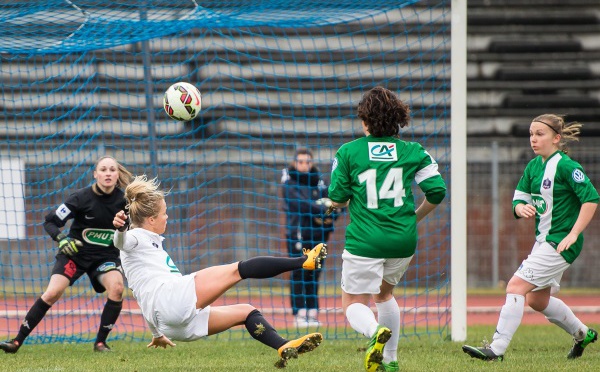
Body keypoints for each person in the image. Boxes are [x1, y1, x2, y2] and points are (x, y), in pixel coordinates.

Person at [111, 175, 326, 368]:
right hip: (172, 299)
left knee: (247, 311)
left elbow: (146, 297)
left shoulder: (148, 245)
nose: (166, 217)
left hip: (169, 325)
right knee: (239, 270)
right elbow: (121, 241)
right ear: (150, 220)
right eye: (163, 214)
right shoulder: (136, 237)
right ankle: (304, 261)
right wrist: (120, 229)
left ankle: (283, 345)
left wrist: (157, 333)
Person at [326, 86, 447, 372]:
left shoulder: (348, 152)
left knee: (353, 304)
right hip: (402, 240)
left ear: (365, 120)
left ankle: (374, 333)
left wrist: (331, 204)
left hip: (365, 241)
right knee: (383, 295)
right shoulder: (414, 151)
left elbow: (339, 199)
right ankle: (390, 362)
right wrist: (414, 218)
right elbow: (438, 192)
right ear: (398, 119)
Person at [462, 114, 598, 361]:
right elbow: (518, 198)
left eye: (540, 134)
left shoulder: (567, 166)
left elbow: (591, 199)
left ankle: (496, 349)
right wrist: (519, 208)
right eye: (531, 134)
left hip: (560, 243)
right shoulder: (533, 166)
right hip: (543, 242)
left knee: (515, 286)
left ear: (557, 138)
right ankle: (582, 333)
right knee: (537, 299)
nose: (533, 139)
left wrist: (574, 233)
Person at [0, 156, 133, 353]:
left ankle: (100, 343)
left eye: (112, 170)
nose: (108, 173)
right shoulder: (80, 197)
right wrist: (61, 238)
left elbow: (131, 229)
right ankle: (16, 341)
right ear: (95, 174)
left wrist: (126, 226)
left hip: (105, 258)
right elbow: (50, 222)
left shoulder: (125, 202)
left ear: (117, 174)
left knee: (117, 287)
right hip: (75, 255)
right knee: (53, 292)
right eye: (103, 169)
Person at [281, 148, 340, 327]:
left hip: (319, 234)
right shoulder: (289, 182)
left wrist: (332, 212)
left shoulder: (319, 182)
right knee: (299, 272)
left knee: (315, 272)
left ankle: (313, 312)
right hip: (298, 235)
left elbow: (335, 204)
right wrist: (323, 209)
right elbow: (300, 205)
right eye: (301, 161)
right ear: (295, 163)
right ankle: (299, 313)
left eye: (308, 161)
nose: (304, 165)